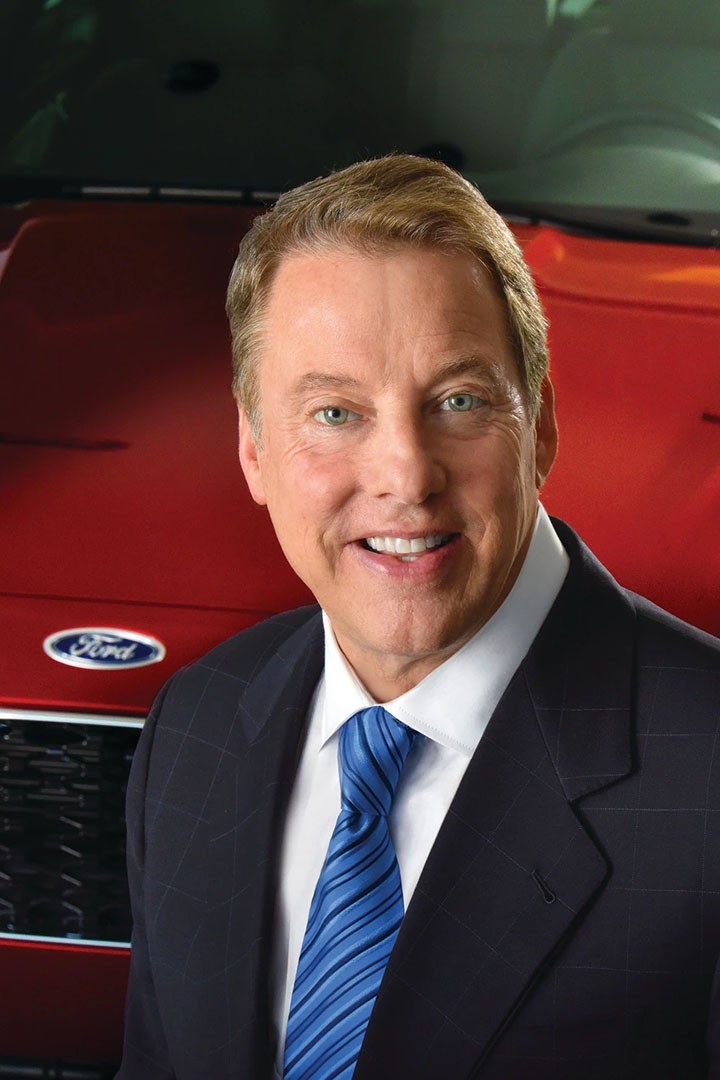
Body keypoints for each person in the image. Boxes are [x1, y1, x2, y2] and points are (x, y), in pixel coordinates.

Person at [116, 154, 720, 1080]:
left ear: (543, 423)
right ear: (252, 449)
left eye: (459, 401)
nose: (405, 475)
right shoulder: (195, 725)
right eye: (334, 412)